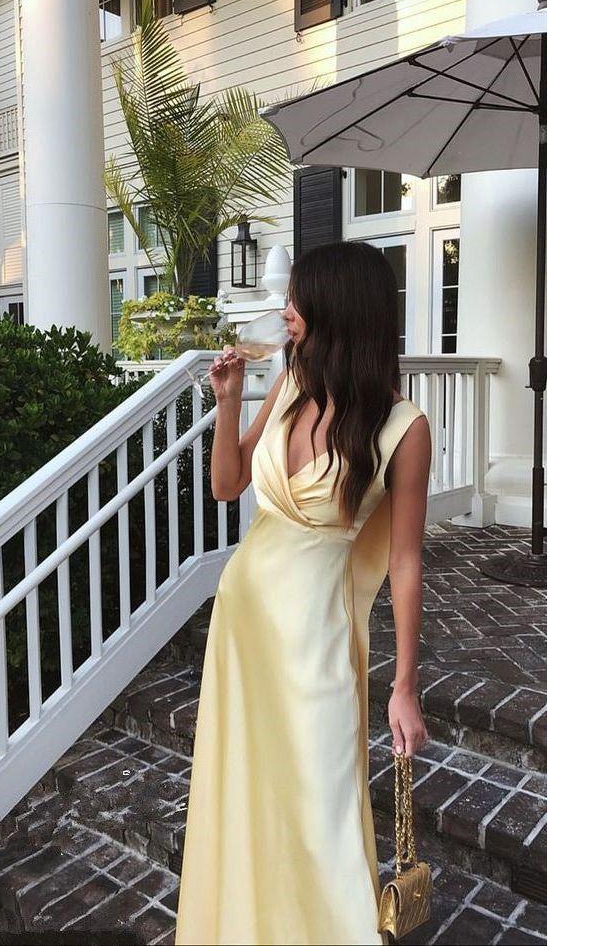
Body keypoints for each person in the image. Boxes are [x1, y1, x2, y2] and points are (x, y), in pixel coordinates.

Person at [174, 241, 432, 945]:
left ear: (338, 310)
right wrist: (229, 401)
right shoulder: (290, 384)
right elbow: (228, 485)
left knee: (322, 809)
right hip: (244, 624)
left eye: (298, 299)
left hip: (317, 639)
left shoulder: (402, 429)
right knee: (247, 792)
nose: (285, 310)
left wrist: (404, 686)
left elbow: (405, 563)